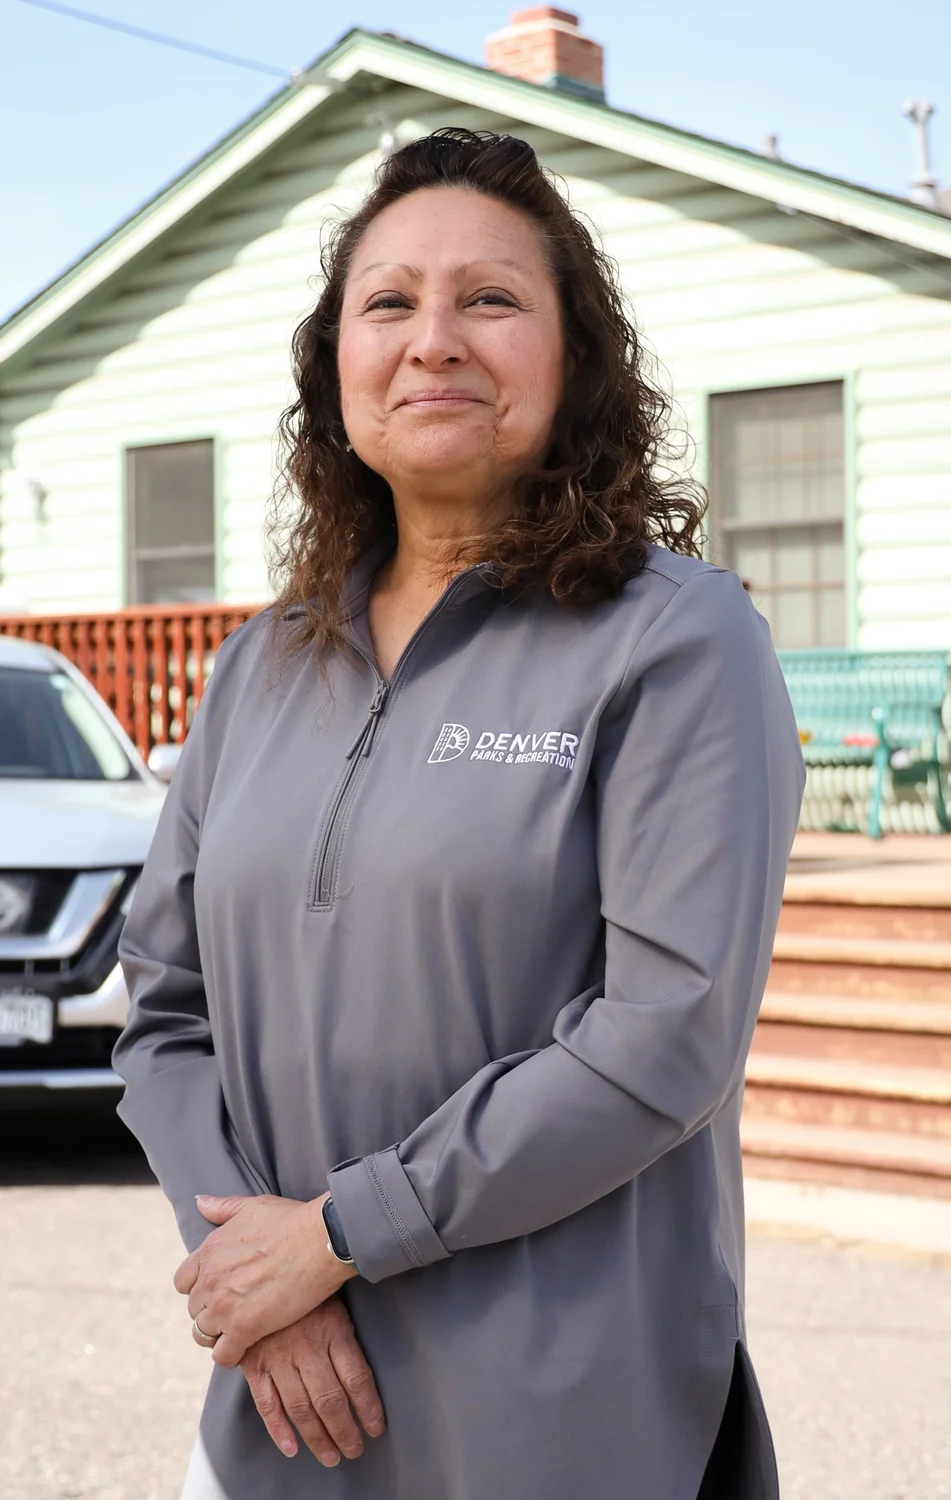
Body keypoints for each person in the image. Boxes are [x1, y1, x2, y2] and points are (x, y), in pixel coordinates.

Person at [113, 127, 805, 1500]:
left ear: (575, 363)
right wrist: (266, 1265)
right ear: (336, 371)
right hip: (282, 1408)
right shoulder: (264, 663)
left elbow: (663, 1037)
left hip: (557, 1423)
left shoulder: (674, 642)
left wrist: (340, 1235)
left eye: (490, 299)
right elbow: (164, 1008)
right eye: (388, 303)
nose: (434, 339)